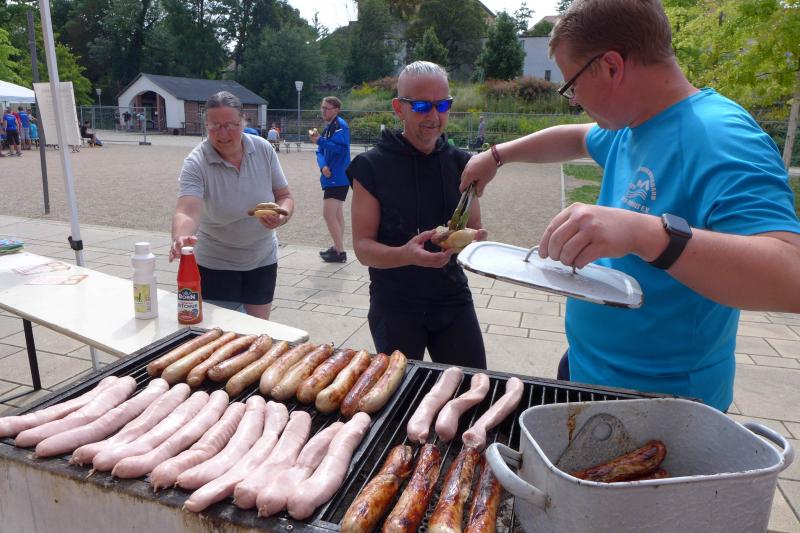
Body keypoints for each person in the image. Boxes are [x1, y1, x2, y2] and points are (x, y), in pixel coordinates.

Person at [459, 0, 800, 411]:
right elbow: (575, 137)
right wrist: (496, 156)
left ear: (611, 67)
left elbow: (791, 276)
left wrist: (646, 234)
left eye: (573, 86)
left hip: (664, 405)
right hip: (587, 370)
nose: (573, 100)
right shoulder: (632, 125)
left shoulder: (720, 136)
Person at [347, 61, 488, 369]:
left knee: (471, 385)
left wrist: (473, 241)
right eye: (422, 106)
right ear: (399, 108)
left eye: (443, 105)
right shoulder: (370, 167)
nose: (434, 116)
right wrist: (407, 255)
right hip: (395, 303)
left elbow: (475, 227)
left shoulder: (463, 164)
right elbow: (363, 248)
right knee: (399, 392)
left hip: (452, 298)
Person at [169, 91, 294, 320]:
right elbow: (188, 209)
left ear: (243, 121)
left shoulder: (263, 149)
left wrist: (281, 216)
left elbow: (284, 195)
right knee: (222, 332)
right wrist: (180, 237)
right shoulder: (196, 162)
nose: (223, 133)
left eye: (230, 125)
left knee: (258, 330)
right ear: (206, 126)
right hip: (215, 264)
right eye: (215, 126)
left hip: (262, 259)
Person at [310, 96, 351, 263]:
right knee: (337, 214)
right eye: (322, 108)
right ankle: (337, 247)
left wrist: (320, 140)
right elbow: (319, 151)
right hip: (332, 177)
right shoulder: (329, 127)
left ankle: (339, 252)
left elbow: (342, 150)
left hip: (338, 177)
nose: (323, 111)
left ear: (336, 110)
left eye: (327, 108)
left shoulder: (340, 126)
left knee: (328, 214)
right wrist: (322, 166)